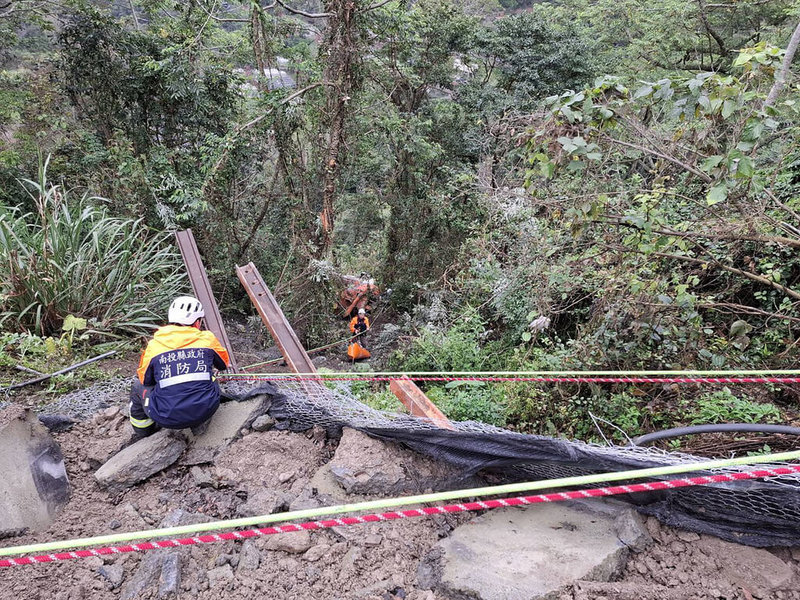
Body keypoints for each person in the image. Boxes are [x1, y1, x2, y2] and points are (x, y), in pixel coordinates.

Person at [129, 296, 230, 438]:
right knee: (210, 375)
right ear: (196, 322)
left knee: (137, 386)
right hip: (207, 409)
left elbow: (146, 380)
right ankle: (198, 422)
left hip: (166, 417)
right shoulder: (207, 340)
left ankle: (143, 432)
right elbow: (224, 365)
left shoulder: (154, 346)